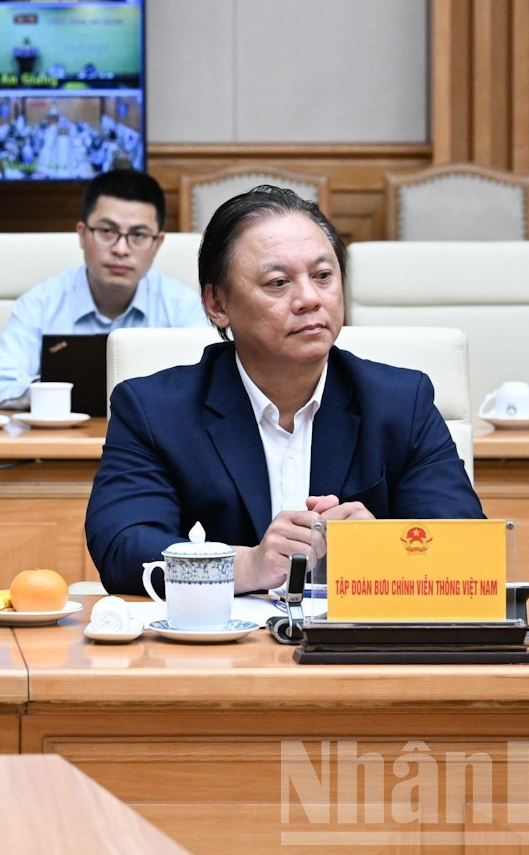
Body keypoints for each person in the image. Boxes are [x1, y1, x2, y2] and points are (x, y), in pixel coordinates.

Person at [85, 186, 483, 596]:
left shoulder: (401, 402)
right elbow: (121, 548)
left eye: (323, 276)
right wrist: (245, 565)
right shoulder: (155, 409)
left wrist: (381, 551)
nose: (310, 298)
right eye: (278, 282)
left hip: (356, 654)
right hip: (219, 653)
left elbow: (468, 550)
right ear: (217, 304)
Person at [0, 171, 207, 407]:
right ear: (82, 235)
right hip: (62, 443)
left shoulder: (183, 306)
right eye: (107, 231)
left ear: (158, 243)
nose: (121, 249)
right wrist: (51, 392)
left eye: (139, 235)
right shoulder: (40, 303)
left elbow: (207, 386)